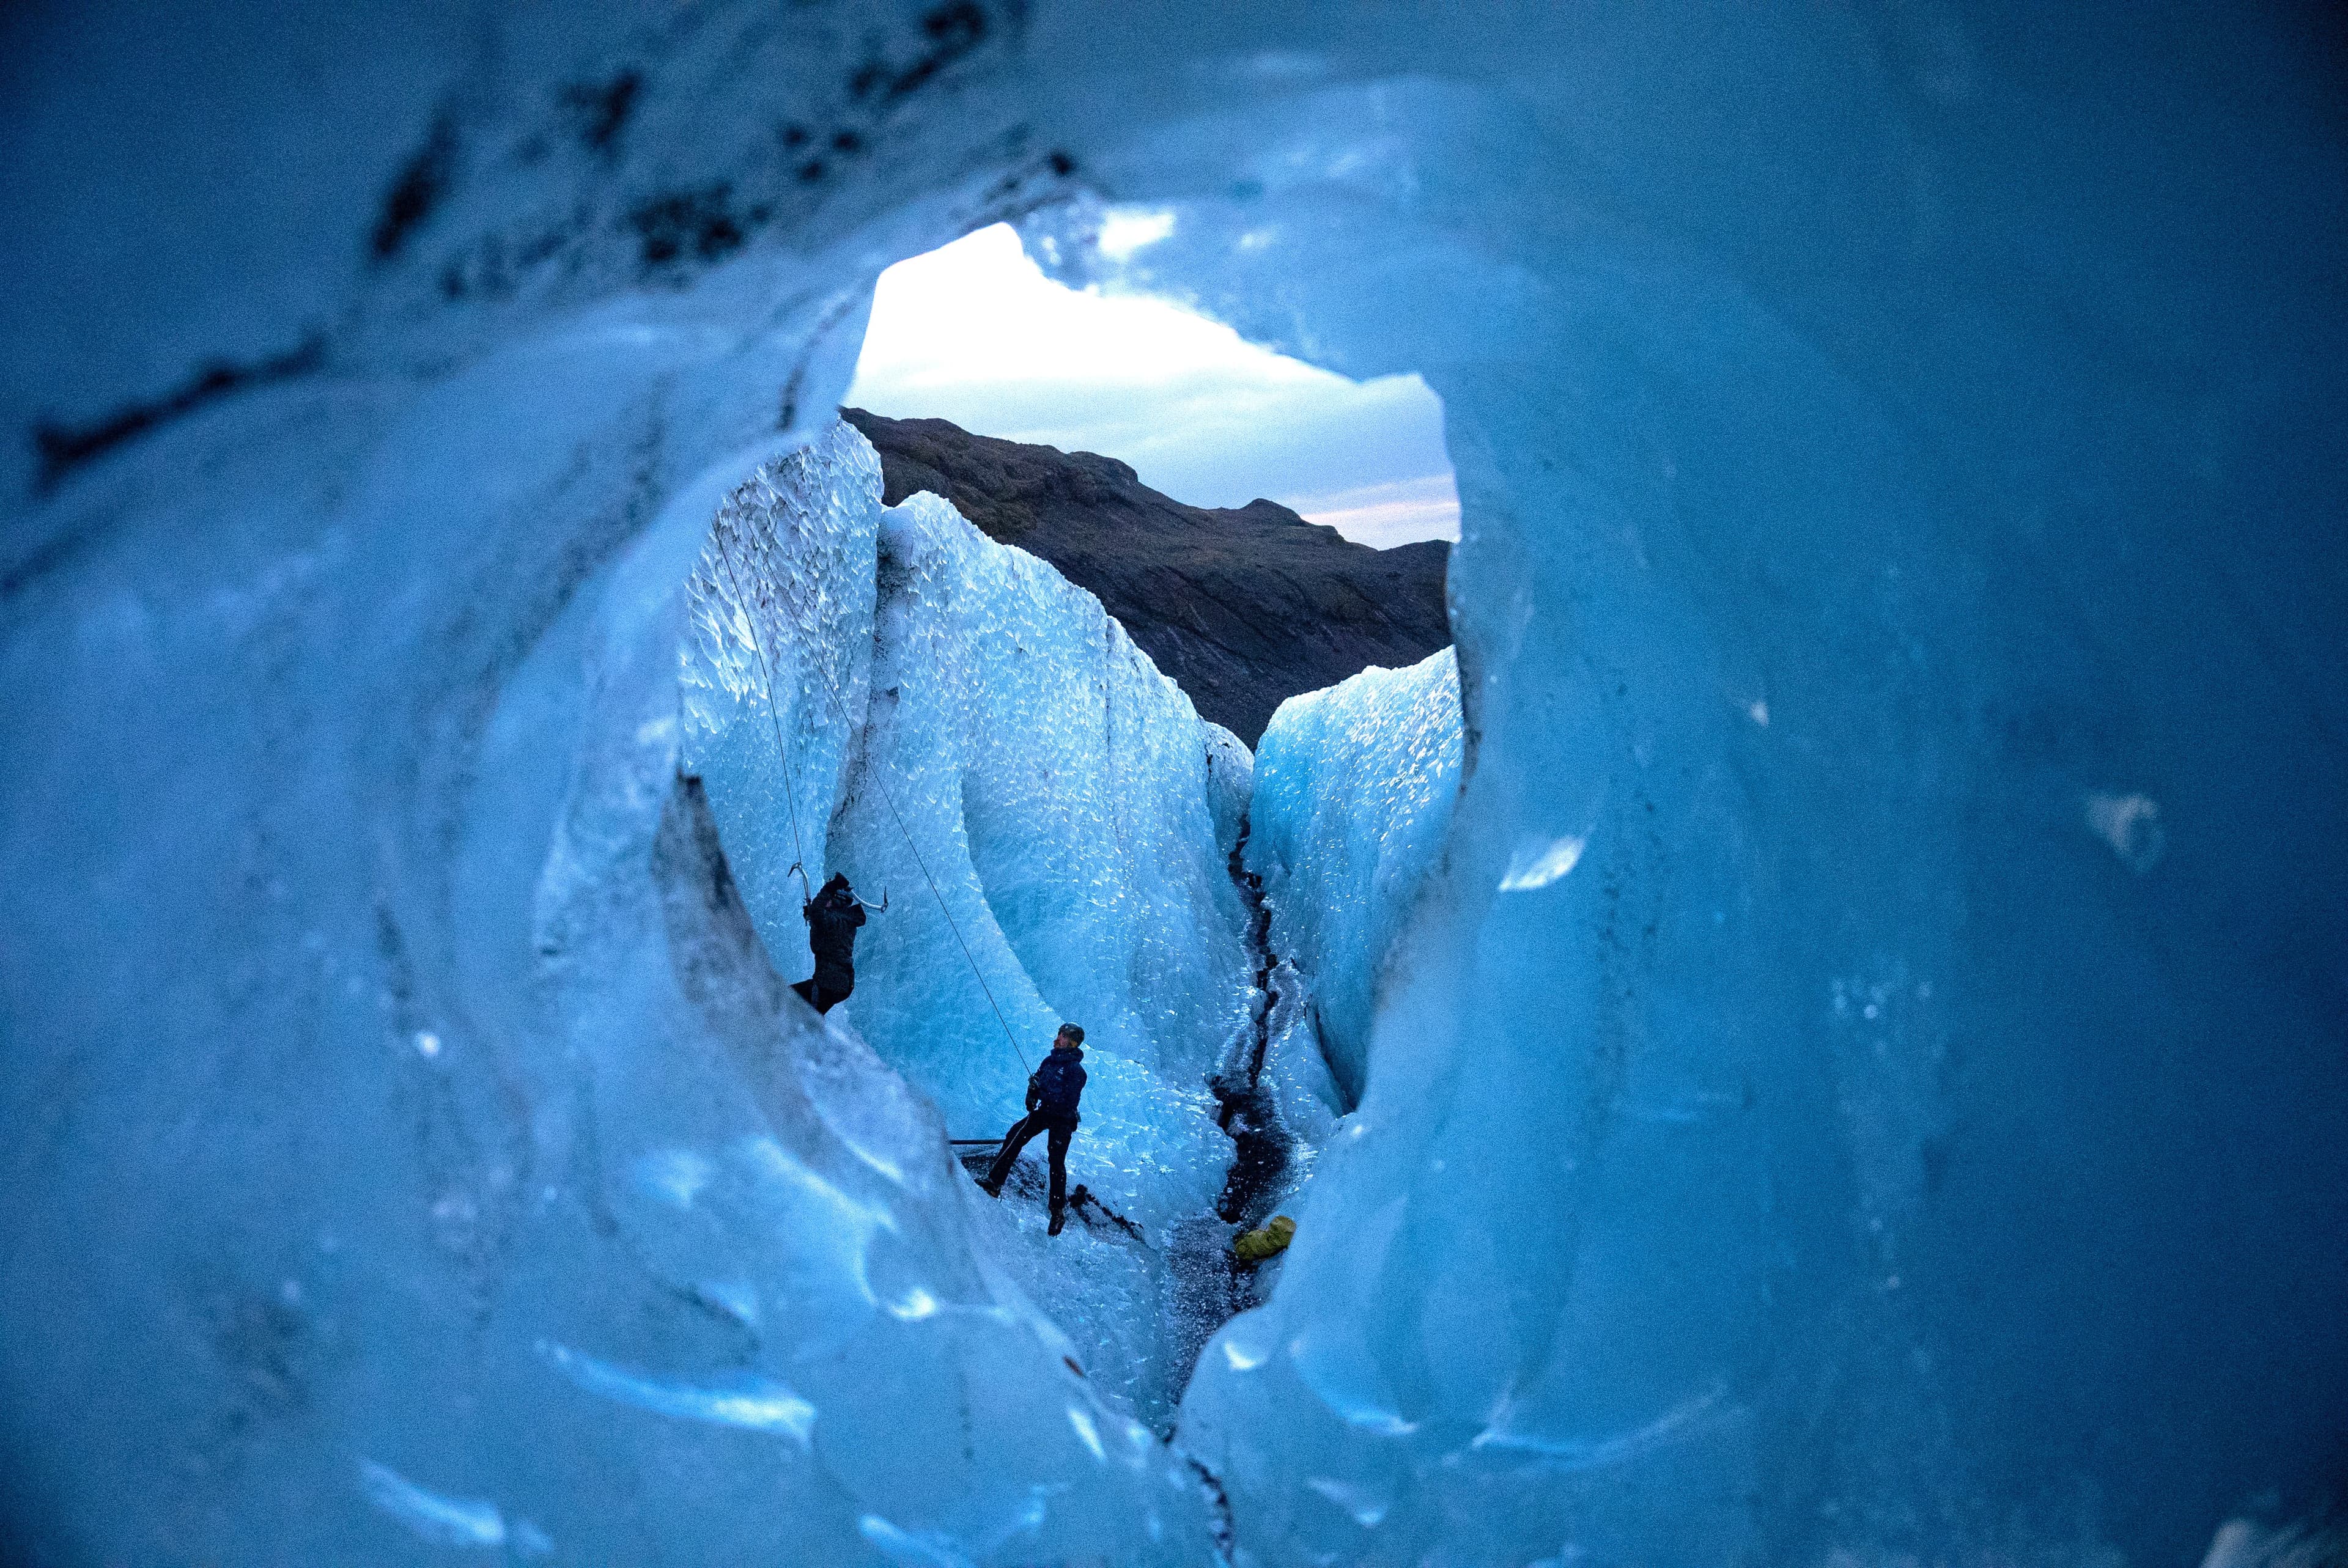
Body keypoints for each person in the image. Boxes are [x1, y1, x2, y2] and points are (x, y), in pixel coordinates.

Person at [979, 1024, 1087, 1235]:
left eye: (1062, 1036)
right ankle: (994, 1183)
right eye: (1058, 1034)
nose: (1057, 1039)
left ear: (1072, 1043)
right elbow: (1038, 1082)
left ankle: (1057, 1212)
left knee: (1056, 1161)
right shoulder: (1049, 1061)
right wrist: (1032, 1094)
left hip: (1063, 1119)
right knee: (1015, 1136)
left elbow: (1069, 1101)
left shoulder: (1076, 1071)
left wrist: (1043, 1095)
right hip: (1046, 1111)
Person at [791, 872, 865, 1015]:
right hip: (837, 984)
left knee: (784, 996)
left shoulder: (838, 920)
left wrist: (829, 888)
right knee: (810, 1016)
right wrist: (814, 920)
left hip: (830, 983)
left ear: (838, 900)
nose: (826, 901)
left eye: (829, 898)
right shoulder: (844, 920)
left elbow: (819, 913)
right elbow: (824, 937)